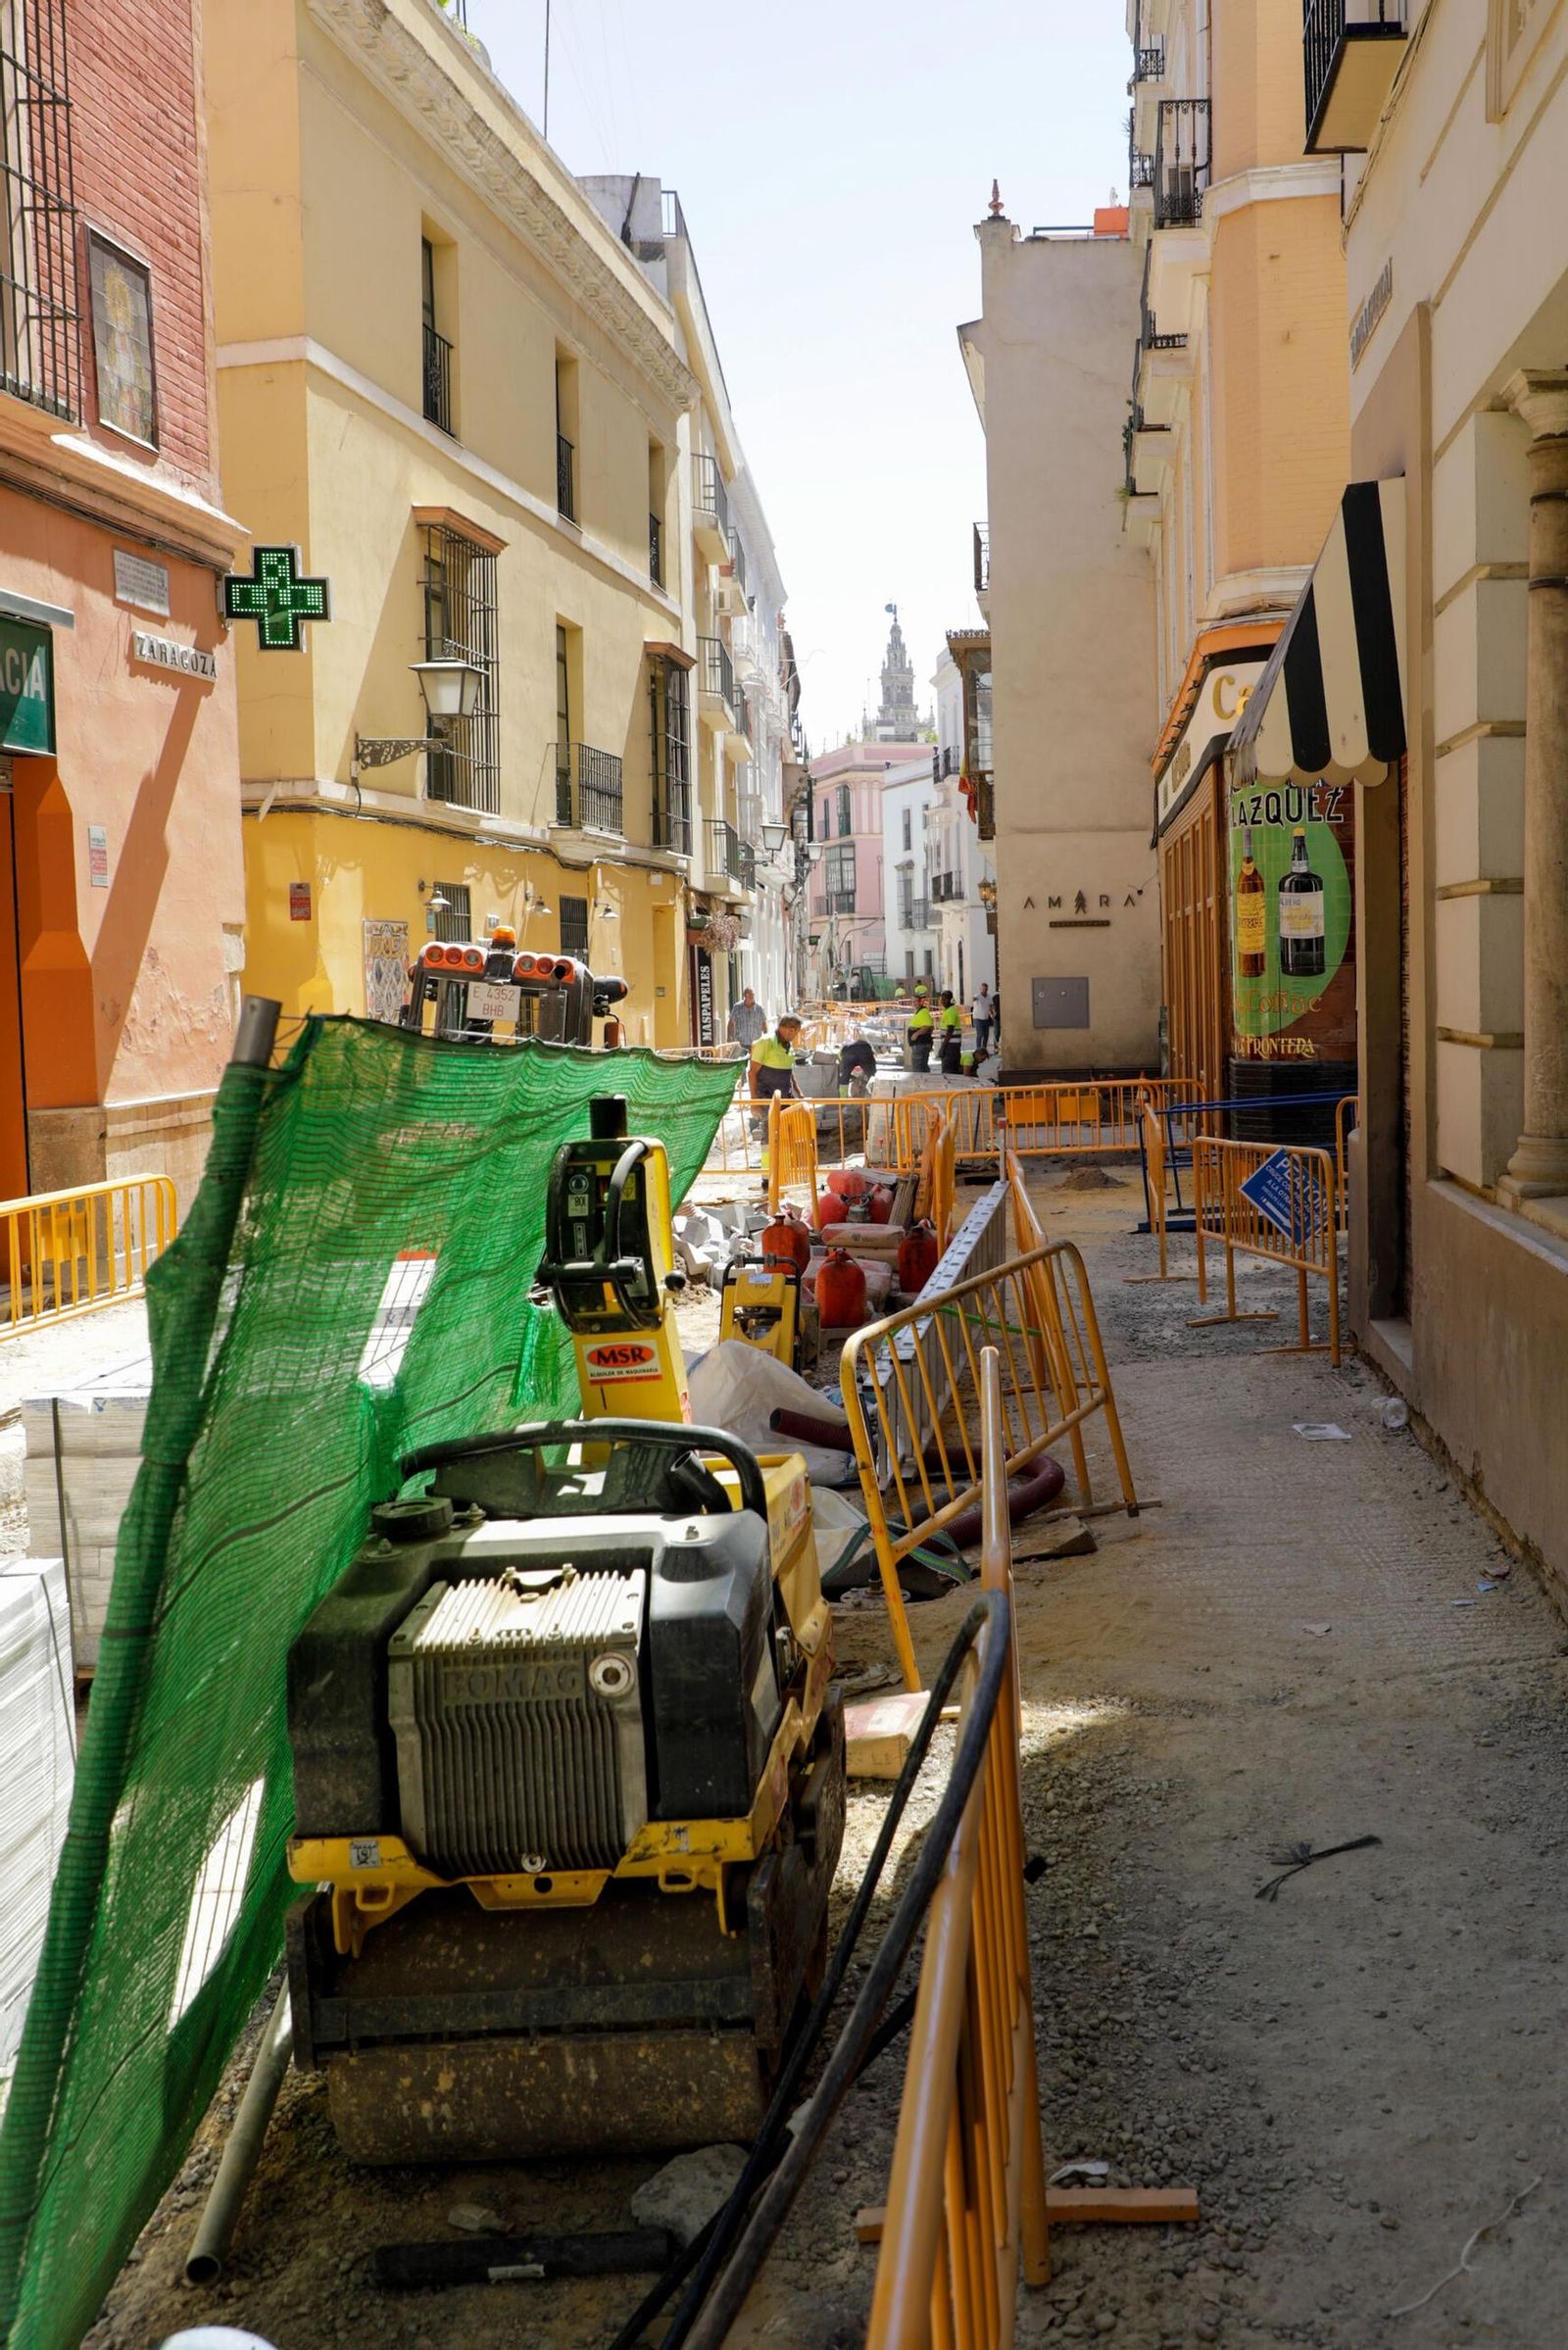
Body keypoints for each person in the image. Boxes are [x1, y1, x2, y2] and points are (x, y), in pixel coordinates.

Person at [750, 1011, 803, 1135]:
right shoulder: (766, 1042)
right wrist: (754, 1103)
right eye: (797, 1031)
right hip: (767, 1099)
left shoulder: (788, 1045)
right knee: (771, 1136)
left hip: (785, 1098)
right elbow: (752, 1073)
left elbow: (788, 1071)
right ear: (788, 1029)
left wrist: (799, 1093)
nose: (797, 1035)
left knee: (790, 1133)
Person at [837, 1027, 877, 1096]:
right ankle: (874, 1096)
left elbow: (840, 1057)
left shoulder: (845, 1045)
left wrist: (845, 1070)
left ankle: (843, 1101)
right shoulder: (867, 1045)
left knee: (844, 1078)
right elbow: (873, 1059)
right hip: (865, 1052)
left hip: (849, 1054)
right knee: (872, 1076)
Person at [727, 986, 766, 1053]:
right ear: (745, 996)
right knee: (741, 1062)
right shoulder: (737, 1007)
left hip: (755, 1043)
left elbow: (764, 1024)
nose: (752, 996)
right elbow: (731, 1023)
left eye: (753, 994)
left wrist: (766, 1038)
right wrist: (729, 1036)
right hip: (740, 1043)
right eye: (749, 994)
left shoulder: (759, 1008)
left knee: (754, 1062)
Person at [907, 992, 934, 1074]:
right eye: (912, 1001)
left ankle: (921, 1086)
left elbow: (928, 1026)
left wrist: (916, 1034)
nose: (914, 1003)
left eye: (915, 1001)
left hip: (920, 1045)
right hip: (919, 1045)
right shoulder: (918, 1012)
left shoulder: (923, 1012)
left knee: (918, 1069)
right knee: (922, 1067)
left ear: (920, 1002)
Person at [938, 990, 963, 1075]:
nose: (942, 1002)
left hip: (951, 1046)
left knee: (948, 1072)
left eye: (944, 999)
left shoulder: (950, 1011)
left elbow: (950, 1030)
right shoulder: (949, 1010)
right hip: (951, 1045)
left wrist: (943, 1047)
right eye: (941, 999)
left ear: (950, 1000)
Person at [970, 981, 993, 1058]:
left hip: (985, 1018)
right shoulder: (978, 996)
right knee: (980, 1034)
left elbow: (990, 1006)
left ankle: (984, 1050)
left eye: (985, 989)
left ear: (987, 989)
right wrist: (974, 998)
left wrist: (992, 1013)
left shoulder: (989, 997)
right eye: (983, 989)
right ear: (980, 989)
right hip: (977, 1018)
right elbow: (973, 999)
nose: (984, 991)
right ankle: (978, 1050)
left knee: (986, 1035)